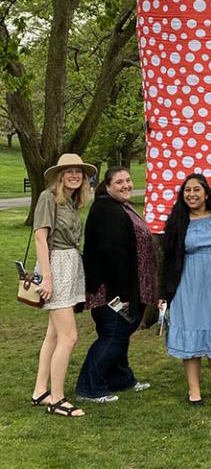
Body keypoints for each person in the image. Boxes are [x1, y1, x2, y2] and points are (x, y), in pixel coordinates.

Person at [76, 166, 157, 403]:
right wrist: (122, 294)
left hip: (128, 287)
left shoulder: (118, 206)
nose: (126, 185)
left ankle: (120, 378)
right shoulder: (105, 209)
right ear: (108, 186)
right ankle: (89, 387)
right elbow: (112, 255)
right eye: (119, 182)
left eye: (128, 180)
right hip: (113, 290)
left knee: (121, 333)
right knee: (113, 335)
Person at [160, 173, 211, 405]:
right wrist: (164, 293)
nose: (191, 194)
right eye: (187, 190)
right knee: (192, 335)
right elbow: (168, 260)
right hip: (189, 286)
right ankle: (193, 391)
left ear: (206, 193)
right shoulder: (177, 221)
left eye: (196, 189)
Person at [31, 153, 97, 417]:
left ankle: (40, 391)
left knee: (54, 334)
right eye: (68, 171)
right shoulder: (48, 198)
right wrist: (47, 277)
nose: (74, 175)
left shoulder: (69, 202)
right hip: (55, 266)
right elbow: (40, 238)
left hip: (69, 264)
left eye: (78, 172)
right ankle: (57, 399)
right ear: (59, 175)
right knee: (69, 337)